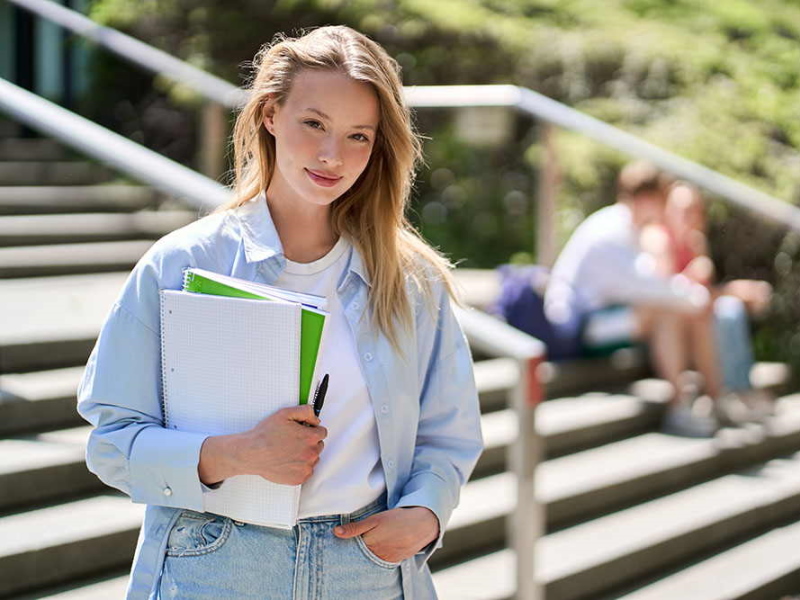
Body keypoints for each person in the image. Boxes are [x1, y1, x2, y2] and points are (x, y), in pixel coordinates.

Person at [77, 26, 483, 600]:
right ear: (270, 114)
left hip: (365, 565)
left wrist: (425, 513)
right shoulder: (182, 263)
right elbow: (110, 443)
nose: (331, 156)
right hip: (218, 562)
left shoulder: (411, 281)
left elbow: (451, 434)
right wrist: (236, 454)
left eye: (358, 137)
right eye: (313, 124)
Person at [544, 160, 724, 436]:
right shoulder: (608, 233)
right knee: (668, 311)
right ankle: (680, 404)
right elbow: (648, 287)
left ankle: (713, 397)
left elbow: (651, 283)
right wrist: (698, 297)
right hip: (580, 328)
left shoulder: (627, 227)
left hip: (607, 316)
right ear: (647, 198)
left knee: (678, 310)